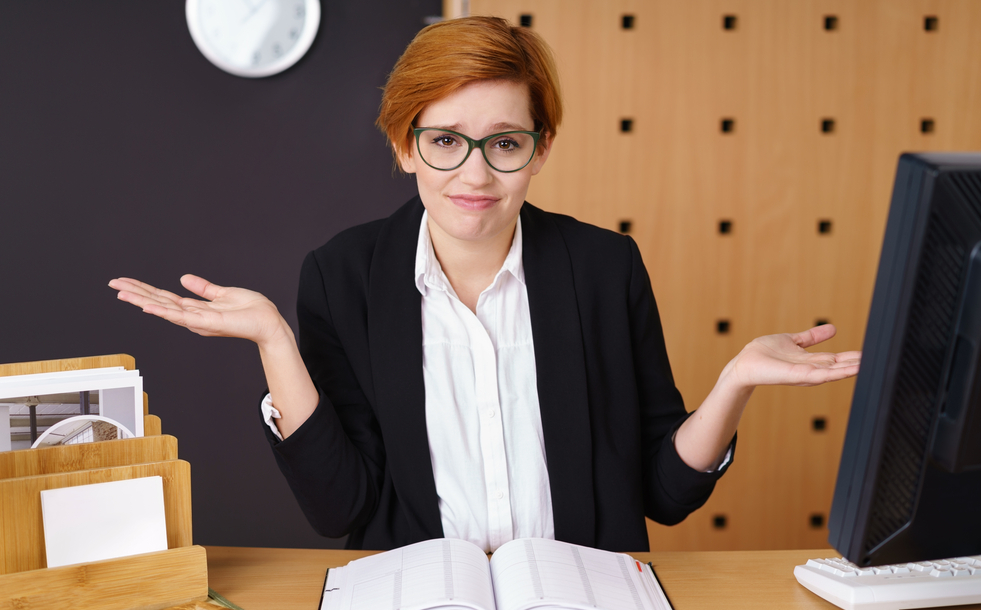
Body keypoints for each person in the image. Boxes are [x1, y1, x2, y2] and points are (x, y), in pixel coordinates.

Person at [110, 16, 860, 553]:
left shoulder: (605, 267)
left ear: (541, 150)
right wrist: (275, 341)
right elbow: (341, 508)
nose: (475, 174)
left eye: (504, 143)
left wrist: (735, 383)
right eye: (445, 141)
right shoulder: (342, 277)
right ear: (405, 145)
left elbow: (664, 495)